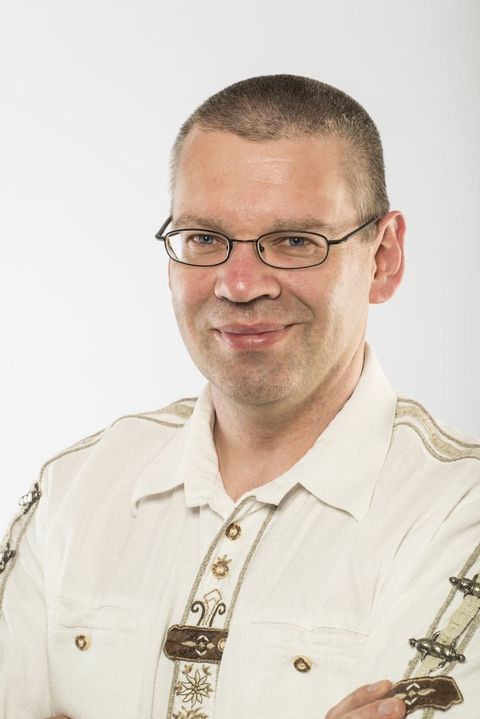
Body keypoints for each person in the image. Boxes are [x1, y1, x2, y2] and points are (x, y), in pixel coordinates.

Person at [1, 74, 479, 719]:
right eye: (204, 238)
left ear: (384, 257)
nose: (240, 284)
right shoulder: (76, 487)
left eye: (295, 241)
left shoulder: (459, 512)